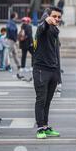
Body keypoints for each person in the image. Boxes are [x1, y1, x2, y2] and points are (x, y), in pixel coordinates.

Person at [32, 7, 63, 139]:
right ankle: (40, 128)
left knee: (48, 100)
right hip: (41, 70)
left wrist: (58, 76)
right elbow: (40, 30)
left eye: (58, 17)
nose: (56, 19)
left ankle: (45, 126)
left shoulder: (55, 31)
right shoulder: (43, 27)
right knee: (41, 99)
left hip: (53, 70)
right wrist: (45, 21)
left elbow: (57, 54)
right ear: (48, 16)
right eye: (54, 16)